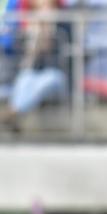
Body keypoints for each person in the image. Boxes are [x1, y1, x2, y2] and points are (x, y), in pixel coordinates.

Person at [0, 0, 69, 133]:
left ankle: (12, 113)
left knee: (47, 79)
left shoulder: (64, 25)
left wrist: (47, 30)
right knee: (25, 78)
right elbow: (28, 64)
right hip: (34, 74)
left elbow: (59, 58)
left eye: (47, 7)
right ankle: (15, 114)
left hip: (58, 76)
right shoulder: (29, 28)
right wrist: (36, 34)